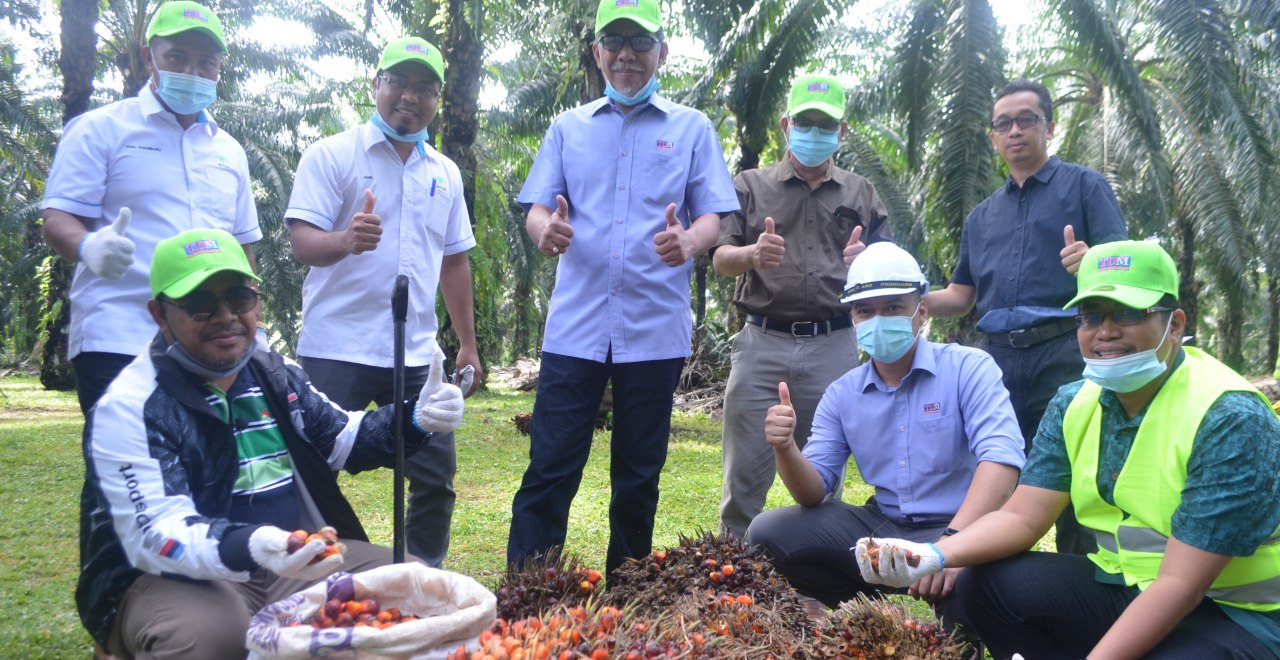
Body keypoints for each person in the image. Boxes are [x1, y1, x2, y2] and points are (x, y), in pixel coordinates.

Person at [856, 241, 1280, 660]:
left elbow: (1180, 583)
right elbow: (1024, 519)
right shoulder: (1075, 401)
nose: (1105, 331)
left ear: (1174, 323)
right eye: (1090, 316)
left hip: (1237, 615)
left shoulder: (1228, 417)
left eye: (1128, 314)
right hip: (1134, 588)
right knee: (984, 580)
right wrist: (934, 554)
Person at [80, 229, 463, 660]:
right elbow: (155, 533)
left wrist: (416, 419)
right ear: (159, 315)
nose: (226, 316)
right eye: (199, 304)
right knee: (206, 640)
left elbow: (342, 437)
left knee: (417, 587)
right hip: (169, 578)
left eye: (239, 298)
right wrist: (253, 544)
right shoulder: (131, 404)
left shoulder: (272, 371)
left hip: (290, 558)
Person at [41, 0, 261, 660]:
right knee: (117, 473)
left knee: (202, 462)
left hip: (204, 336)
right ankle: (114, 623)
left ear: (220, 66)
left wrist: (252, 318)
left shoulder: (228, 149)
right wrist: (90, 246)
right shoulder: (101, 130)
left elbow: (245, 241)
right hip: (118, 327)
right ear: (150, 58)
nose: (192, 70)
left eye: (205, 60)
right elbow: (59, 215)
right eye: (179, 57)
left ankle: (195, 598)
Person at [506, 0, 738, 575]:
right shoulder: (568, 128)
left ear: (663, 52)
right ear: (597, 53)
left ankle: (628, 592)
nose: (627, 55)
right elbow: (538, 209)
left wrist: (689, 242)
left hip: (654, 333)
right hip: (575, 330)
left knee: (638, 475)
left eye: (640, 43)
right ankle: (527, 596)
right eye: (615, 43)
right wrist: (546, 229)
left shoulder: (692, 128)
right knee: (550, 467)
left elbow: (714, 217)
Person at [746, 242, 1023, 622]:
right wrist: (785, 448)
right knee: (769, 532)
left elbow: (1001, 461)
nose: (879, 319)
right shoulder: (842, 394)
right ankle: (868, 616)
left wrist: (953, 545)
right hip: (884, 524)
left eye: (893, 307)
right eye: (865, 311)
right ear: (854, 320)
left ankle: (959, 631)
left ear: (921, 311)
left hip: (960, 525)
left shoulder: (968, 369)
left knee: (974, 591)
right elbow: (813, 493)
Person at [286, 37, 479, 568]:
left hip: (417, 355)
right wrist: (345, 241)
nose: (410, 97)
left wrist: (466, 342)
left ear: (438, 99)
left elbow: (455, 260)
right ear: (376, 85)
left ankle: (420, 575)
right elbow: (301, 240)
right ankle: (318, 579)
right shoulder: (331, 154)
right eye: (399, 82)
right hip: (337, 346)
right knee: (312, 473)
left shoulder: (445, 172)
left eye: (425, 88)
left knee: (435, 477)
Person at [924, 79, 1127, 554]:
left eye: (1026, 119)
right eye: (1003, 123)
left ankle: (1082, 594)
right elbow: (961, 294)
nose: (1014, 130)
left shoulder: (1085, 187)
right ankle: (986, 600)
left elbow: (1122, 267)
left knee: (1079, 476)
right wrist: (904, 298)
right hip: (994, 361)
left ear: (1049, 127)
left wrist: (1092, 261)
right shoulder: (980, 217)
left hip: (1065, 353)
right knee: (992, 473)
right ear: (993, 137)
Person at [712, 72, 892, 540]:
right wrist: (752, 254)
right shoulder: (749, 185)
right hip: (761, 343)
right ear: (786, 125)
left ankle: (816, 574)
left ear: (842, 131)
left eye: (825, 124)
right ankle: (734, 574)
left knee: (824, 474)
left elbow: (892, 274)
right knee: (743, 475)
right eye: (805, 122)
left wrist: (866, 262)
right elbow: (720, 258)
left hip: (833, 345)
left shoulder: (861, 193)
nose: (815, 132)